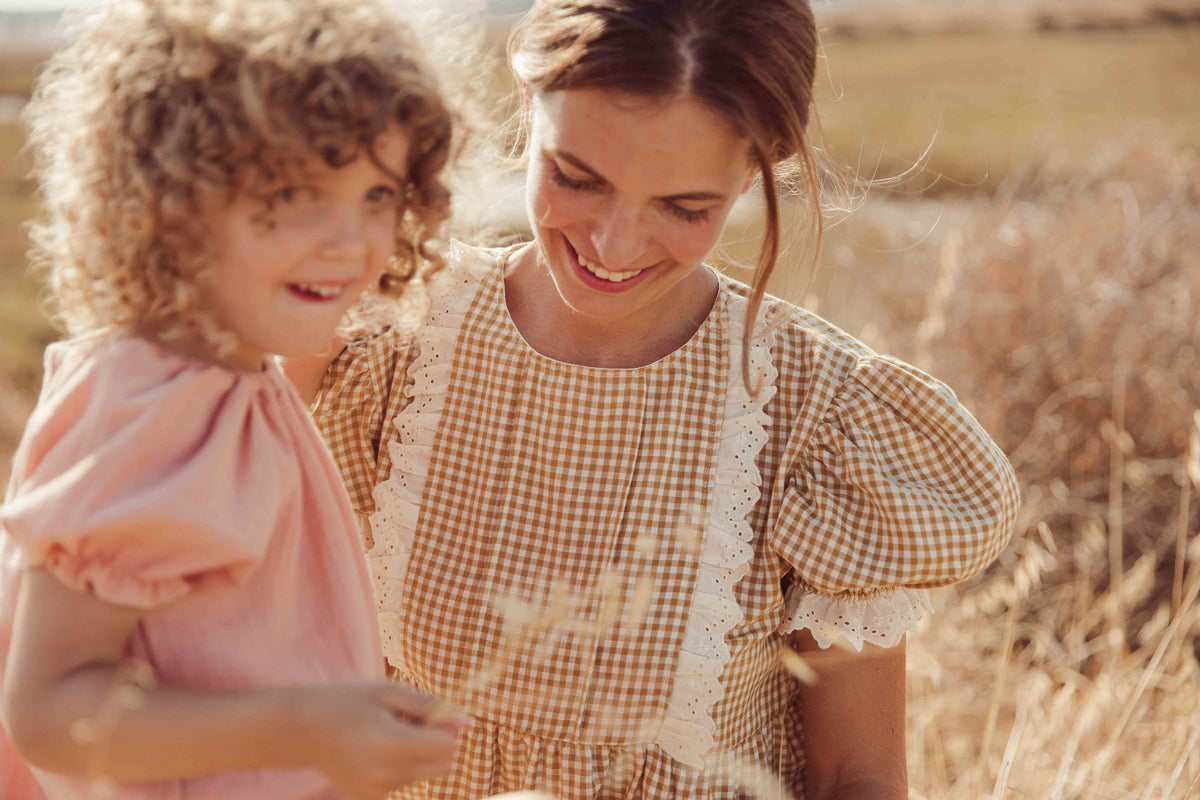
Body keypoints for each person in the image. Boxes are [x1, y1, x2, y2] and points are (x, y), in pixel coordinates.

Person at [288, 0, 1022, 798]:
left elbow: (860, 778)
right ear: (529, 105)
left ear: (757, 169)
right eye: (576, 177)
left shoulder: (817, 417)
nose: (614, 245)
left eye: (684, 207)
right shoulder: (384, 335)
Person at [0, 0, 466, 797]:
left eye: (377, 196)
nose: (350, 242)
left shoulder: (231, 380)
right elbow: (48, 711)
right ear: (170, 197)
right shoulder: (153, 413)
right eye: (296, 192)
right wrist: (306, 727)